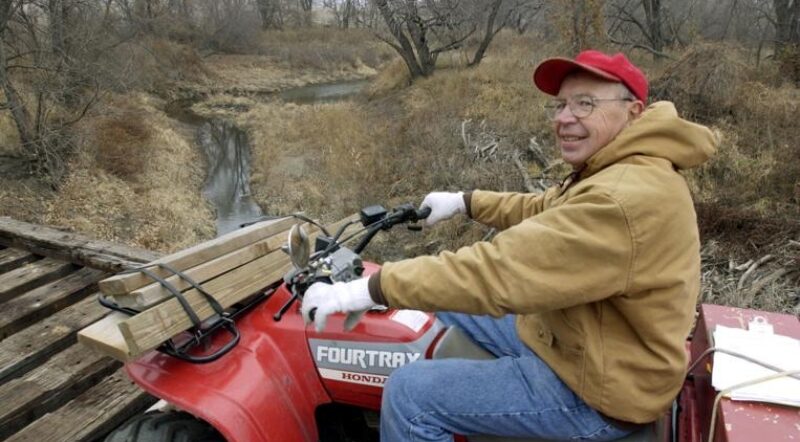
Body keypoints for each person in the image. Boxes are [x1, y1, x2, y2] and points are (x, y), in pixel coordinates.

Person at [301, 50, 717, 441]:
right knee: (442, 302)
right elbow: (544, 207)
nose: (565, 118)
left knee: (410, 395)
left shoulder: (622, 197)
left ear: (633, 111)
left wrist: (367, 288)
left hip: (602, 394)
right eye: (561, 105)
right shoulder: (622, 165)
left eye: (585, 103)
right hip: (595, 345)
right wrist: (465, 202)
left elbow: (496, 272)